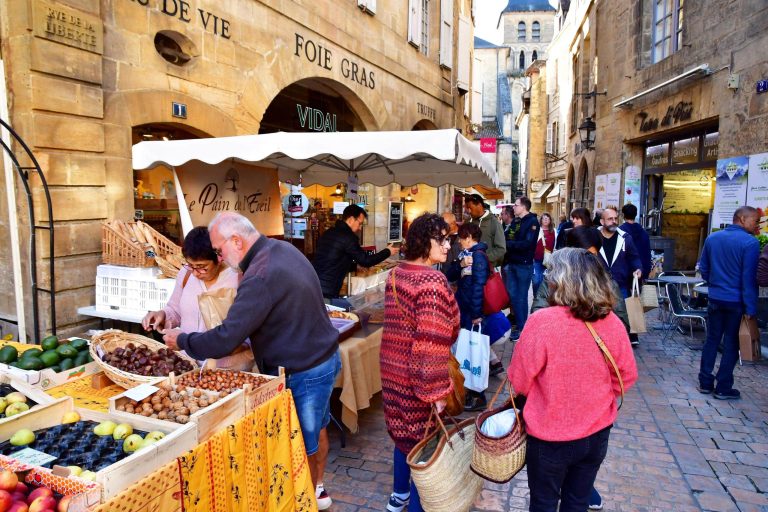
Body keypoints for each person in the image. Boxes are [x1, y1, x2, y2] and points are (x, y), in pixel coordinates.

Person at [162, 212, 341, 510]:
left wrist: (182, 340)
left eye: (219, 250)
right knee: (318, 430)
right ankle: (314, 491)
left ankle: (305, 501)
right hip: (322, 358)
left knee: (304, 445)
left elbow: (225, 339)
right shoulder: (280, 249)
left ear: (237, 241)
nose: (219, 256)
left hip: (305, 369)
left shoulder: (258, 275)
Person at [509, 248, 638, 512]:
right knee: (577, 502)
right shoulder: (611, 321)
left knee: (544, 503)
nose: (547, 277)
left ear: (561, 280)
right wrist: (594, 394)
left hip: (549, 434)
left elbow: (519, 380)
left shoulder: (542, 322)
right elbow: (626, 375)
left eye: (550, 272)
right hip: (597, 431)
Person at [380, 213, 460, 512]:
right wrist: (437, 393)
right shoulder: (432, 282)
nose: (448, 246)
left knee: (403, 436)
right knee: (424, 446)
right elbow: (430, 345)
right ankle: (413, 503)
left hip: (393, 372)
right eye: (442, 239)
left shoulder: (396, 274)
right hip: (419, 379)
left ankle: (398, 494)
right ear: (425, 241)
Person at [141, 227, 252, 370]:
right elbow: (174, 309)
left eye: (201, 267)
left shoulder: (238, 278)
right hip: (188, 365)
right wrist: (162, 315)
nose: (195, 273)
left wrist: (240, 346)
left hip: (229, 368)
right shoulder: (185, 275)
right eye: (190, 265)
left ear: (219, 257)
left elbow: (250, 326)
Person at [698, 206, 759, 400]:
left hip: (716, 298)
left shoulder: (712, 238)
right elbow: (748, 279)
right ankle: (724, 387)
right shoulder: (750, 243)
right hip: (736, 301)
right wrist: (751, 308)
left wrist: (715, 284)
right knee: (732, 343)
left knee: (712, 340)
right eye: (754, 221)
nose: (756, 225)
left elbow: (704, 268)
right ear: (742, 218)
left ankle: (705, 382)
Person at [445, 223, 501, 411]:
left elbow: (478, 287)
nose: (459, 242)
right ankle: (470, 391)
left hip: (472, 312)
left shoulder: (477, 256)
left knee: (473, 354)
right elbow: (450, 274)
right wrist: (460, 264)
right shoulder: (465, 256)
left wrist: (477, 314)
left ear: (469, 237)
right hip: (465, 309)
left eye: (461, 238)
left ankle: (478, 396)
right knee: (467, 352)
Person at [312, 204, 396, 308]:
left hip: (314, 285)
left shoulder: (328, 233)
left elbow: (334, 259)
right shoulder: (348, 237)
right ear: (351, 219)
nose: (360, 228)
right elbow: (366, 260)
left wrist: (355, 265)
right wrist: (387, 251)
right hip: (327, 290)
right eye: (360, 224)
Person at [503, 196, 540, 339]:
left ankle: (522, 328)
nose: (513, 207)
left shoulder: (532, 222)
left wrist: (508, 245)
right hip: (512, 262)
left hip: (524, 265)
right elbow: (506, 237)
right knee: (513, 296)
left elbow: (527, 244)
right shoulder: (516, 221)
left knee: (521, 297)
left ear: (523, 207)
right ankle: (520, 324)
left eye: (516, 205)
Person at [464, 193, 506, 268]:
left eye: (470, 208)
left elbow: (501, 249)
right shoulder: (468, 222)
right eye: (467, 208)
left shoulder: (494, 222)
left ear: (479, 205)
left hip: (487, 268)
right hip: (468, 267)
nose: (469, 211)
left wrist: (483, 258)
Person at [620, 204, 652, 279]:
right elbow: (647, 254)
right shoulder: (644, 233)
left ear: (623, 215)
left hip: (624, 273)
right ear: (636, 215)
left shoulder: (620, 232)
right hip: (641, 271)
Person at [532, 212, 555, 294]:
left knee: (545, 282)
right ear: (541, 220)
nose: (546, 220)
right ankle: (536, 298)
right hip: (536, 259)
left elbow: (555, 246)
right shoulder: (536, 230)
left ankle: (542, 300)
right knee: (536, 281)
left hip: (548, 260)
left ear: (550, 221)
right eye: (544, 218)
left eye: (548, 218)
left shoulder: (554, 231)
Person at [437, 211, 462, 279]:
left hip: (459, 278)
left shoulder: (464, 235)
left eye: (444, 225)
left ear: (453, 223)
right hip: (444, 275)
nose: (442, 227)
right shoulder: (440, 236)